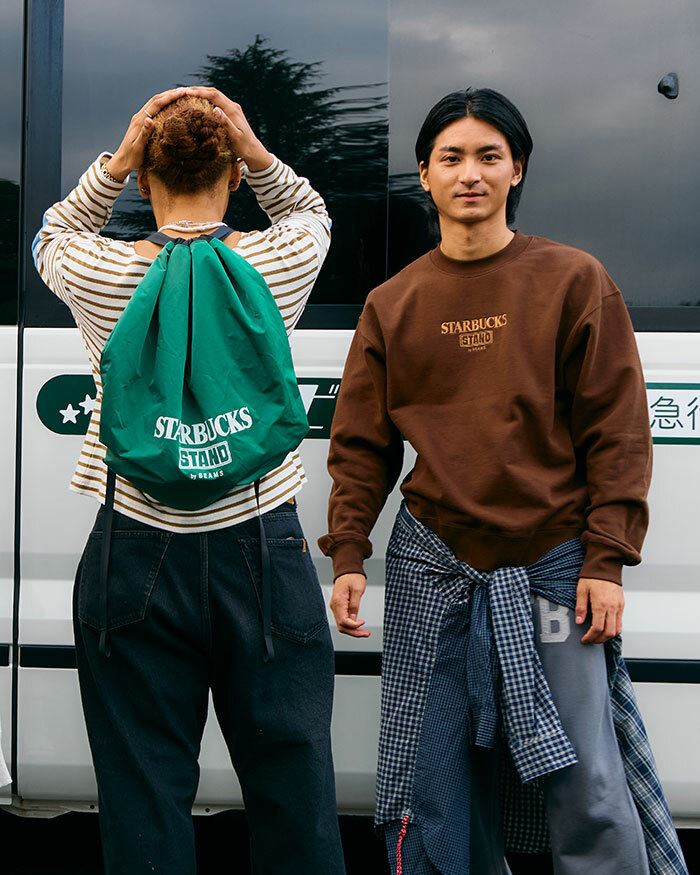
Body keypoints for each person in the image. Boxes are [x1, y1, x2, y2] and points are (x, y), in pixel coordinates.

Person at [320, 88, 688, 875]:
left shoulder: (573, 280)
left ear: (516, 168)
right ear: (424, 173)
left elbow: (618, 431)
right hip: (435, 566)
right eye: (451, 157)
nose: (471, 174)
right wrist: (349, 551)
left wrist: (606, 559)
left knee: (586, 781)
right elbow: (361, 446)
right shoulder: (394, 303)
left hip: (555, 564)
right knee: (435, 784)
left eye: (489, 156)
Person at [33, 86, 346, 875]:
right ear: (234, 175)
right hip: (262, 548)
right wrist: (257, 148)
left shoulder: (100, 270)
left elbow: (53, 232)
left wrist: (117, 158)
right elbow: (310, 211)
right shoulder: (279, 261)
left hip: (134, 549)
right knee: (294, 790)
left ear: (144, 180)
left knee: (144, 796)